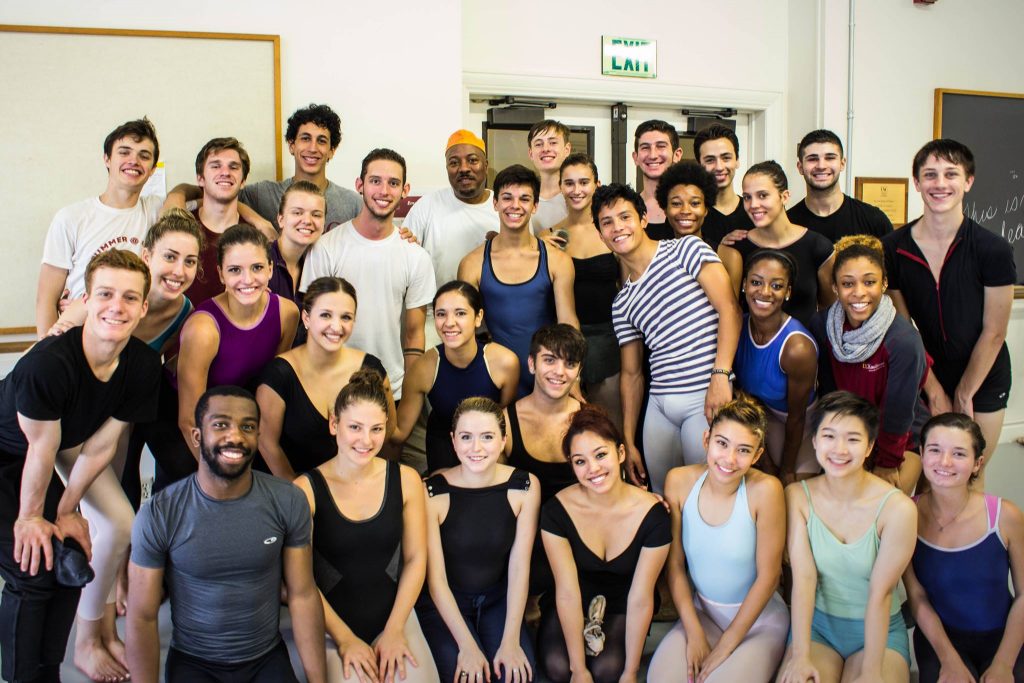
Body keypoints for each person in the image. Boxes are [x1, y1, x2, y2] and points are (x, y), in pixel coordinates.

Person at [1, 249, 160, 683]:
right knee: (31, 565)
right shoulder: (48, 364)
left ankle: (67, 655)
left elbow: (100, 446)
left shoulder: (144, 365)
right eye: (106, 294)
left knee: (93, 539)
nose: (117, 307)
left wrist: (69, 509)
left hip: (60, 448)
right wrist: (33, 516)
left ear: (144, 307)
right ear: (85, 299)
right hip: (10, 453)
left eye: (130, 298)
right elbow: (39, 448)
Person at [126, 385, 327, 683]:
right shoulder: (159, 513)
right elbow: (142, 616)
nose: (235, 437)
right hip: (194, 663)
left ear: (258, 437)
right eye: (220, 425)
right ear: (197, 437)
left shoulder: (288, 500)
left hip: (265, 657)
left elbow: (302, 595)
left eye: (248, 427)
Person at [883, 138, 1015, 489]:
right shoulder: (893, 247)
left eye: (950, 174)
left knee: (968, 474)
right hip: (926, 372)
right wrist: (934, 386)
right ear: (917, 182)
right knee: (928, 477)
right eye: (930, 175)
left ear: (968, 181)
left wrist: (964, 394)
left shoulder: (993, 249)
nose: (940, 184)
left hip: (984, 375)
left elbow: (994, 332)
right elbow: (902, 326)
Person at [294, 370, 438, 683]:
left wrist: (396, 628)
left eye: (376, 429)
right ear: (334, 424)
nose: (366, 440)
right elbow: (299, 582)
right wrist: (345, 640)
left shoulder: (406, 480)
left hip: (394, 617)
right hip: (331, 625)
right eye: (355, 428)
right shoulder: (305, 491)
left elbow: (415, 560)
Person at [595, 183, 740, 492]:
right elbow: (632, 374)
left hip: (703, 393)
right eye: (607, 223)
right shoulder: (622, 303)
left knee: (708, 492)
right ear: (600, 234)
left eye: (625, 217)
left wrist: (720, 376)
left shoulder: (686, 249)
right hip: (659, 405)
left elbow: (729, 308)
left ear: (643, 219)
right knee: (661, 496)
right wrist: (629, 439)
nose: (617, 228)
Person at [778, 391, 916, 683]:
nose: (839, 449)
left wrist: (871, 672)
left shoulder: (898, 508)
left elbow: (882, 593)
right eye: (829, 436)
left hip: (877, 634)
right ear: (814, 441)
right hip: (817, 629)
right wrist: (800, 656)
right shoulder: (797, 497)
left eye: (853, 439)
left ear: (869, 447)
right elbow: (803, 579)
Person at [648, 397, 789, 682]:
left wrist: (725, 647)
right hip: (703, 614)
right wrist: (694, 632)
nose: (729, 459)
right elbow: (674, 567)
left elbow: (769, 577)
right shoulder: (679, 481)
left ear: (757, 455)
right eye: (722, 443)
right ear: (706, 439)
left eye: (743, 450)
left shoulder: (766, 490)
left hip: (758, 622)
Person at [538, 405, 671, 683]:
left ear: (620, 453)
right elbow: (566, 591)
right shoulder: (556, 511)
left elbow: (641, 596)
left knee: (608, 671)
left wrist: (631, 673)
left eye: (600, 455)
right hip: (574, 596)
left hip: (624, 601)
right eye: (580, 461)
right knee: (558, 667)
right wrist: (578, 670)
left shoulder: (653, 515)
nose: (593, 469)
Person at [299, 148, 436, 406]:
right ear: (360, 185)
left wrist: (410, 396)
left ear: (405, 190)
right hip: (332, 386)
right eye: (375, 181)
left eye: (393, 183)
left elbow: (414, 335)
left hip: (391, 389)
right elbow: (311, 326)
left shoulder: (415, 256)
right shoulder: (326, 248)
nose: (384, 191)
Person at [418, 397, 540, 683]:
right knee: (468, 676)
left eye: (487, 437)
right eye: (466, 437)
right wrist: (467, 646)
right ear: (453, 440)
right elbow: (435, 580)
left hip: (497, 601)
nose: (476, 448)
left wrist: (511, 640)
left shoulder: (524, 487)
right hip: (446, 605)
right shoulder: (433, 492)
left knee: (516, 675)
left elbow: (519, 567)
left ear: (503, 440)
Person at [169, 225, 298, 484]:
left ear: (271, 269)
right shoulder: (203, 329)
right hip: (181, 418)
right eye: (235, 270)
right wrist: (221, 478)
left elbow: (270, 384)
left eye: (257, 268)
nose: (248, 280)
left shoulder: (287, 313)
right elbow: (187, 419)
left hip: (236, 412)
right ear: (221, 274)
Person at [904, 412, 1024, 682]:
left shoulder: (1005, 516)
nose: (945, 462)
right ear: (921, 453)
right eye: (935, 450)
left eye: (959, 454)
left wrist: (1004, 664)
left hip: (1004, 637)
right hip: (939, 641)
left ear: (977, 463)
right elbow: (917, 597)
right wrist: (949, 660)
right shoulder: (905, 515)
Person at [809, 235, 926, 495]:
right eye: (848, 284)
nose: (859, 292)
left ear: (884, 284)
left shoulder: (903, 340)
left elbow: (899, 411)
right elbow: (828, 392)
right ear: (835, 288)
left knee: (879, 507)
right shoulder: (822, 325)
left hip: (897, 441)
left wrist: (886, 464)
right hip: (849, 431)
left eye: (870, 282)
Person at [257, 276, 395, 480]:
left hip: (351, 483)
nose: (336, 327)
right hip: (292, 488)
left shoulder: (371, 367)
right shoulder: (279, 374)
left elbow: (388, 426)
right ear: (306, 318)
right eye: (326, 315)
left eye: (346, 317)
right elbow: (267, 443)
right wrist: (300, 494)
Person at [458, 164, 579, 398]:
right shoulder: (472, 264)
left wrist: (573, 376)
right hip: (493, 376)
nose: (515, 206)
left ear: (535, 206)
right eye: (507, 198)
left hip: (547, 376)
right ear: (495, 203)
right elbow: (469, 332)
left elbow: (568, 323)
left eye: (524, 199)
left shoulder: (557, 261)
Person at [36, 117, 162, 336]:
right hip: (78, 335)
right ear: (107, 159)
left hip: (133, 341)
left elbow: (200, 194)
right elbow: (46, 298)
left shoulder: (156, 211)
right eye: (124, 152)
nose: (134, 160)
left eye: (144, 156)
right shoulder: (71, 218)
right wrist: (47, 353)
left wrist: (244, 210)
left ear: (152, 170)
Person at [165, 104, 361, 234]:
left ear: (332, 150)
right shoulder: (263, 194)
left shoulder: (351, 204)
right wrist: (177, 195)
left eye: (322, 141)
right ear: (291, 145)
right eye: (305, 138)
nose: (312, 148)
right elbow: (216, 194)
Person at [392, 280, 518, 474]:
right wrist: (381, 389)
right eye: (441, 314)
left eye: (460, 313)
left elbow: (504, 421)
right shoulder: (423, 368)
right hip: (443, 444)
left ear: (478, 317)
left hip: (486, 442)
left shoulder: (505, 363)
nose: (449, 323)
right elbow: (399, 433)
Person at [404, 129, 500, 348]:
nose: (464, 169)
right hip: (435, 323)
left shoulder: (503, 205)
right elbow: (404, 259)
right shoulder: (427, 207)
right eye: (454, 163)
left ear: (486, 164)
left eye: (472, 160)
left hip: (491, 325)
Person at [732, 249, 819, 485]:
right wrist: (766, 461)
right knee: (757, 482)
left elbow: (797, 417)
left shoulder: (797, 348)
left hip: (800, 423)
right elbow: (741, 394)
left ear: (788, 292)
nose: (764, 292)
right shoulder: (736, 327)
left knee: (791, 491)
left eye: (777, 285)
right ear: (744, 285)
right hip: (761, 417)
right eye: (756, 282)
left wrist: (786, 471)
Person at [548, 153, 621, 423]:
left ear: (596, 185)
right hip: (565, 339)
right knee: (569, 423)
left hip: (608, 337)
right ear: (560, 187)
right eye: (569, 183)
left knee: (609, 421)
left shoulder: (611, 230)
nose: (576, 190)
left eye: (583, 182)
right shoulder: (550, 235)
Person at [719, 160, 836, 327]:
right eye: (747, 197)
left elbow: (829, 309)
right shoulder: (735, 246)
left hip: (806, 348)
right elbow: (728, 311)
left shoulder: (818, 247)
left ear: (784, 196)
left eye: (763, 195)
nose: (753, 205)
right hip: (751, 347)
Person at [175, 137, 265, 306]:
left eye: (234, 167)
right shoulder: (179, 230)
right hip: (183, 331)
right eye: (216, 166)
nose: (225, 172)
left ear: (243, 181)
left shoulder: (257, 238)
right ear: (200, 178)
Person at [787, 130, 893, 243]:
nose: (821, 166)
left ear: (842, 163)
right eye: (812, 159)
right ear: (800, 167)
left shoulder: (874, 220)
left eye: (830, 158)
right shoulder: (787, 223)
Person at [267, 180, 326, 311]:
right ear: (281, 219)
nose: (307, 221)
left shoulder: (318, 265)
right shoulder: (260, 262)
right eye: (297, 213)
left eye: (316, 215)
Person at [693, 123, 753, 249]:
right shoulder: (690, 214)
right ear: (699, 165)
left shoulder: (755, 211)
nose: (719, 167)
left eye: (726, 158)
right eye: (710, 160)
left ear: (737, 160)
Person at [631, 119, 684, 240]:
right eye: (645, 147)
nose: (653, 155)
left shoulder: (692, 207)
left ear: (677, 154)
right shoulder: (628, 208)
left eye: (661, 146)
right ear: (635, 157)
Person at [654, 160, 722, 249]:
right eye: (676, 203)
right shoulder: (654, 254)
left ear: (706, 209)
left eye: (695, 203)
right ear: (665, 209)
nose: (685, 211)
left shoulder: (726, 255)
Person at [527, 119, 573, 230]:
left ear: (567, 149)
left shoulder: (579, 196)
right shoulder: (523, 199)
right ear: (531, 153)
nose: (546, 149)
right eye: (538, 144)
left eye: (553, 143)